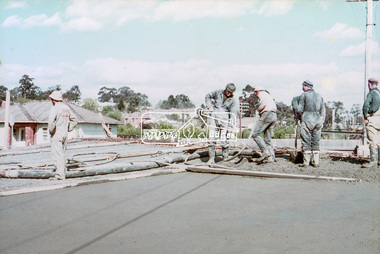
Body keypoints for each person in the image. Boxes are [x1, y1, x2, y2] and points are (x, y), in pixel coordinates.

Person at [205, 83, 239, 164]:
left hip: (225, 119)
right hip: (214, 117)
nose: (228, 93)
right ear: (225, 89)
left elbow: (233, 114)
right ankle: (211, 158)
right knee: (212, 137)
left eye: (231, 92)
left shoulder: (233, 100)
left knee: (224, 139)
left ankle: (225, 158)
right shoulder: (218, 93)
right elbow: (208, 96)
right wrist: (209, 106)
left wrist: (231, 126)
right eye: (228, 91)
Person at [48, 91, 78, 180]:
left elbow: (51, 123)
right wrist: (68, 128)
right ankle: (62, 172)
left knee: (57, 155)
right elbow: (74, 120)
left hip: (57, 134)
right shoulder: (66, 108)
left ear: (53, 100)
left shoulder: (54, 108)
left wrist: (51, 131)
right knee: (63, 154)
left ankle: (60, 175)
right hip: (64, 134)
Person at [296, 80, 326, 167]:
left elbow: (300, 109)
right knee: (316, 140)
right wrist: (322, 121)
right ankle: (315, 162)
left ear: (306, 86)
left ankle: (306, 162)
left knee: (306, 140)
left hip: (307, 119)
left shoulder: (304, 95)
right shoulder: (319, 96)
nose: (302, 88)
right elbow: (323, 110)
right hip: (318, 120)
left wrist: (298, 116)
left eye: (303, 86)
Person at [250, 86, 277, 162]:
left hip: (267, 114)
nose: (255, 94)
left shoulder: (263, 94)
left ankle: (265, 152)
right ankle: (271, 158)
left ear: (259, 91)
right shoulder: (269, 96)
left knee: (255, 134)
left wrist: (257, 110)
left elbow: (263, 104)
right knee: (267, 139)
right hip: (274, 116)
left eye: (256, 92)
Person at [362, 78, 380, 168]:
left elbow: (366, 106)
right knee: (379, 141)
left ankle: (373, 161)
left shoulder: (372, 93)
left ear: (370, 85)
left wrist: (366, 116)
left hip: (373, 119)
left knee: (372, 141)